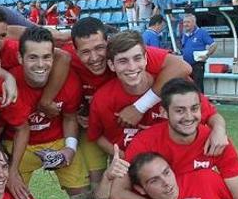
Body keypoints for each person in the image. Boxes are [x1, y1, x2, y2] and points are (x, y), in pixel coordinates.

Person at [38, 17, 193, 191]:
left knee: (144, 178)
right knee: (97, 185)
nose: (94, 58)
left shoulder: (127, 55)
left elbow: (183, 67)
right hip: (96, 128)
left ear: (108, 43)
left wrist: (139, 107)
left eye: (99, 48)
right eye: (86, 52)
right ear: (75, 50)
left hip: (130, 127)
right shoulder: (68, 57)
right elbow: (35, 47)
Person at [0, 26, 89, 199]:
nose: (41, 64)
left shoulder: (69, 80)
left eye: (46, 57)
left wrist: (70, 149)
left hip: (56, 139)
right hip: (17, 145)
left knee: (82, 196)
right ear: (20, 58)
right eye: (33, 57)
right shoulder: (8, 84)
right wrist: (8, 168)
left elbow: (70, 117)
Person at [89, 32, 227, 155]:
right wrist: (126, 159)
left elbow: (211, 115)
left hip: (177, 166)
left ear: (146, 58)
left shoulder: (175, 84)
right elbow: (96, 135)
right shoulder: (103, 98)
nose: (132, 67)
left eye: (137, 58)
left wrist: (219, 130)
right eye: (123, 61)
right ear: (112, 65)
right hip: (133, 170)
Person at [179, 14, 216, 93]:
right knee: (188, 86)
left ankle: (201, 103)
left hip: (197, 65)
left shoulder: (202, 33)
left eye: (188, 22)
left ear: (194, 23)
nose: (185, 24)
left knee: (197, 86)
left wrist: (207, 55)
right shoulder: (184, 34)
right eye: (184, 22)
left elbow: (214, 44)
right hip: (186, 65)